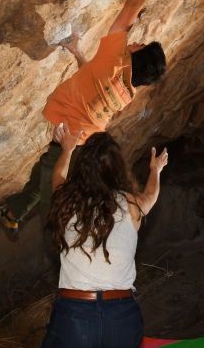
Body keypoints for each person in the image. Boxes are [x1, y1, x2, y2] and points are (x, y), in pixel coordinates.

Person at [0, 0, 182, 236]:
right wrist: (78, 51)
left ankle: (52, 241)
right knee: (42, 174)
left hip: (70, 142)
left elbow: (134, 3)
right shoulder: (125, 90)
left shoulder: (116, 56)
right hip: (87, 144)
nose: (138, 40)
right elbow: (92, 81)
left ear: (138, 53)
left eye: (142, 43)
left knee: (52, 190)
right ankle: (14, 212)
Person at [40, 126, 168, 348]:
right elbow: (150, 195)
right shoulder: (131, 204)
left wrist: (68, 150)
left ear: (82, 167)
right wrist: (155, 170)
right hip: (121, 316)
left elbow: (58, 176)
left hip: (74, 315)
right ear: (117, 169)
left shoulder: (67, 201)